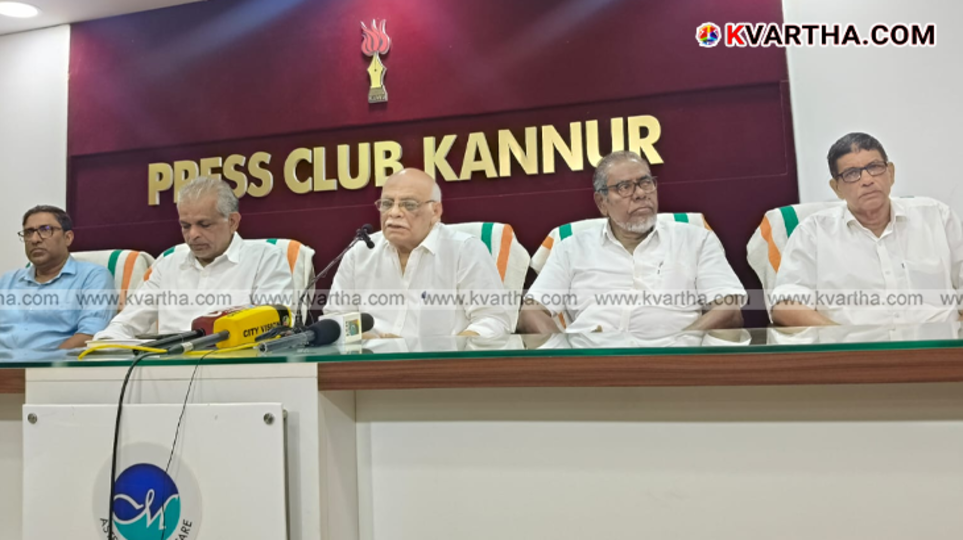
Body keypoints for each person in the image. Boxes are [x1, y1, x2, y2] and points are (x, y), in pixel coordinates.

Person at [518, 150, 745, 336]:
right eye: (624, 187)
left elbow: (729, 310)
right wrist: (565, 354)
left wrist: (678, 344)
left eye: (645, 183)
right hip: (592, 364)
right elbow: (531, 312)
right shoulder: (571, 248)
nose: (640, 194)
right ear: (602, 202)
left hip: (676, 365)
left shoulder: (696, 240)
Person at [771, 132, 963, 326]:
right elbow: (786, 305)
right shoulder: (812, 233)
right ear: (836, 188)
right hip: (854, 352)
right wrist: (842, 340)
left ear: (891, 173)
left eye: (875, 167)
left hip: (940, 349)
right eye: (852, 174)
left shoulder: (937, 217)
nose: (867, 180)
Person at [95, 177, 294, 338]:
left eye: (204, 224)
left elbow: (275, 330)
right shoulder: (168, 264)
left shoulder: (265, 259)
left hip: (238, 369)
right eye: (185, 226)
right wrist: (104, 344)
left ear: (232, 222)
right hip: (169, 372)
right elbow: (126, 324)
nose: (193, 235)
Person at [324, 168, 513, 338]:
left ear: (435, 211)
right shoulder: (360, 252)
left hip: (441, 369)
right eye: (387, 203)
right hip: (371, 365)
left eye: (409, 204)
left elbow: (493, 321)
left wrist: (444, 350)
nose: (394, 212)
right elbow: (336, 318)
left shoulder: (465, 251)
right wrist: (371, 342)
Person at [0, 206, 115, 350]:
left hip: (51, 367)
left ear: (68, 238)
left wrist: (44, 366)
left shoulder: (93, 277)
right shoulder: (8, 280)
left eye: (45, 230)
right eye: (29, 232)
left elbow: (90, 335)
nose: (34, 239)